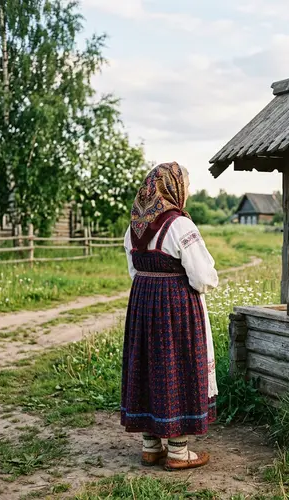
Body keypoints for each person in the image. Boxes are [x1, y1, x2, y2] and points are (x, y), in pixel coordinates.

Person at [121, 161, 219, 471]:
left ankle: (151, 446)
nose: (187, 194)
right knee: (178, 365)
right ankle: (178, 451)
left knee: (148, 365)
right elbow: (203, 276)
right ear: (173, 188)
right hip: (175, 304)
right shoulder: (180, 225)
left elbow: (134, 270)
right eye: (186, 187)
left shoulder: (134, 226)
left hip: (143, 302)